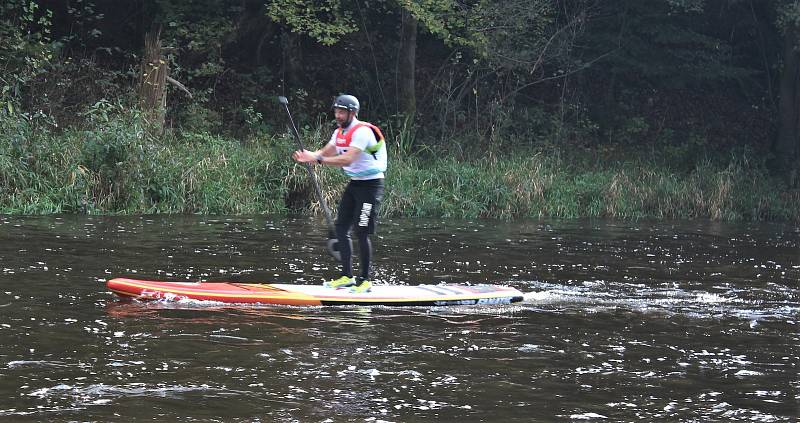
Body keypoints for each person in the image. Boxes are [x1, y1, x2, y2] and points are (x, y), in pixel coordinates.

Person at [292, 94, 387, 293]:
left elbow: (348, 160)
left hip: (371, 186)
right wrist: (309, 156)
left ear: (352, 112)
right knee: (341, 228)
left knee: (361, 232)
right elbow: (325, 152)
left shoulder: (362, 132)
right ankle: (347, 277)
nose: (338, 115)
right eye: (336, 111)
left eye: (342, 112)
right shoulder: (339, 133)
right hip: (355, 185)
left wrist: (317, 160)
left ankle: (365, 280)